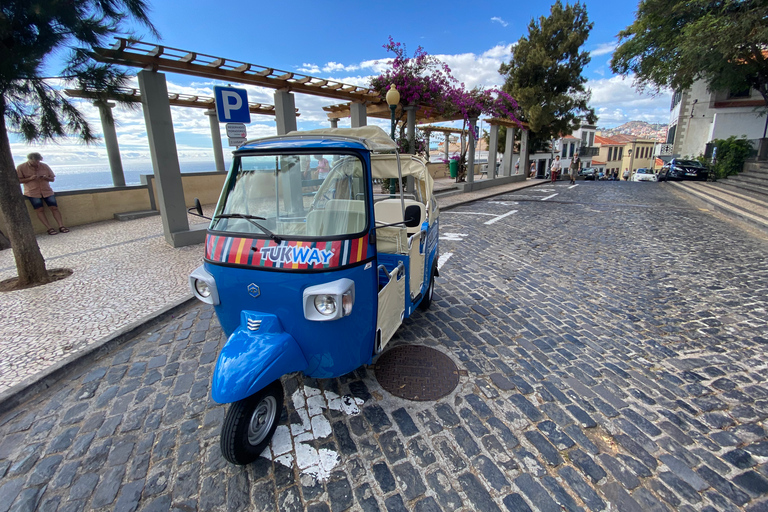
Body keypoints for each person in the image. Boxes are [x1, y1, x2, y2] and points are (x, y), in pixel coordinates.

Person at [16, 153, 69, 235]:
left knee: (54, 208)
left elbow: (52, 179)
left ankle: (61, 226)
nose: (37, 164)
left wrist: (46, 177)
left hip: (47, 191)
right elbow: (18, 180)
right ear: (29, 160)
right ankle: (49, 228)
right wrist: (30, 178)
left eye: (38, 161)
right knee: (39, 210)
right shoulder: (21, 167)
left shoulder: (44, 166)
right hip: (32, 192)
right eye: (34, 162)